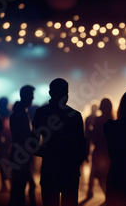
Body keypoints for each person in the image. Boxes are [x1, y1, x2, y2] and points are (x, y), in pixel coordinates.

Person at [31, 78, 87, 206]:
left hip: (49, 170)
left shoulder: (41, 113)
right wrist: (74, 161)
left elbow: (33, 144)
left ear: (50, 93)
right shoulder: (75, 115)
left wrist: (48, 154)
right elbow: (82, 147)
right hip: (70, 172)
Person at [9, 85, 37, 206]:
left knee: (18, 189)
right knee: (19, 189)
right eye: (31, 96)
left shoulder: (19, 113)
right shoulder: (20, 114)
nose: (33, 98)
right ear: (25, 97)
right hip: (20, 155)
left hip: (19, 154)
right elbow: (23, 136)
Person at [86, 98, 113, 202]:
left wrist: (87, 151)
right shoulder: (113, 121)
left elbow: (92, 137)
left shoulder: (96, 120)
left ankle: (101, 194)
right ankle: (108, 196)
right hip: (109, 152)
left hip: (98, 151)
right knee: (106, 175)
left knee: (97, 174)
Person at [0, 97, 12, 192]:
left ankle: (4, 184)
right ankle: (7, 183)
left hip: (1, 143)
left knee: (2, 163)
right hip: (8, 142)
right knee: (8, 164)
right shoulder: (10, 114)